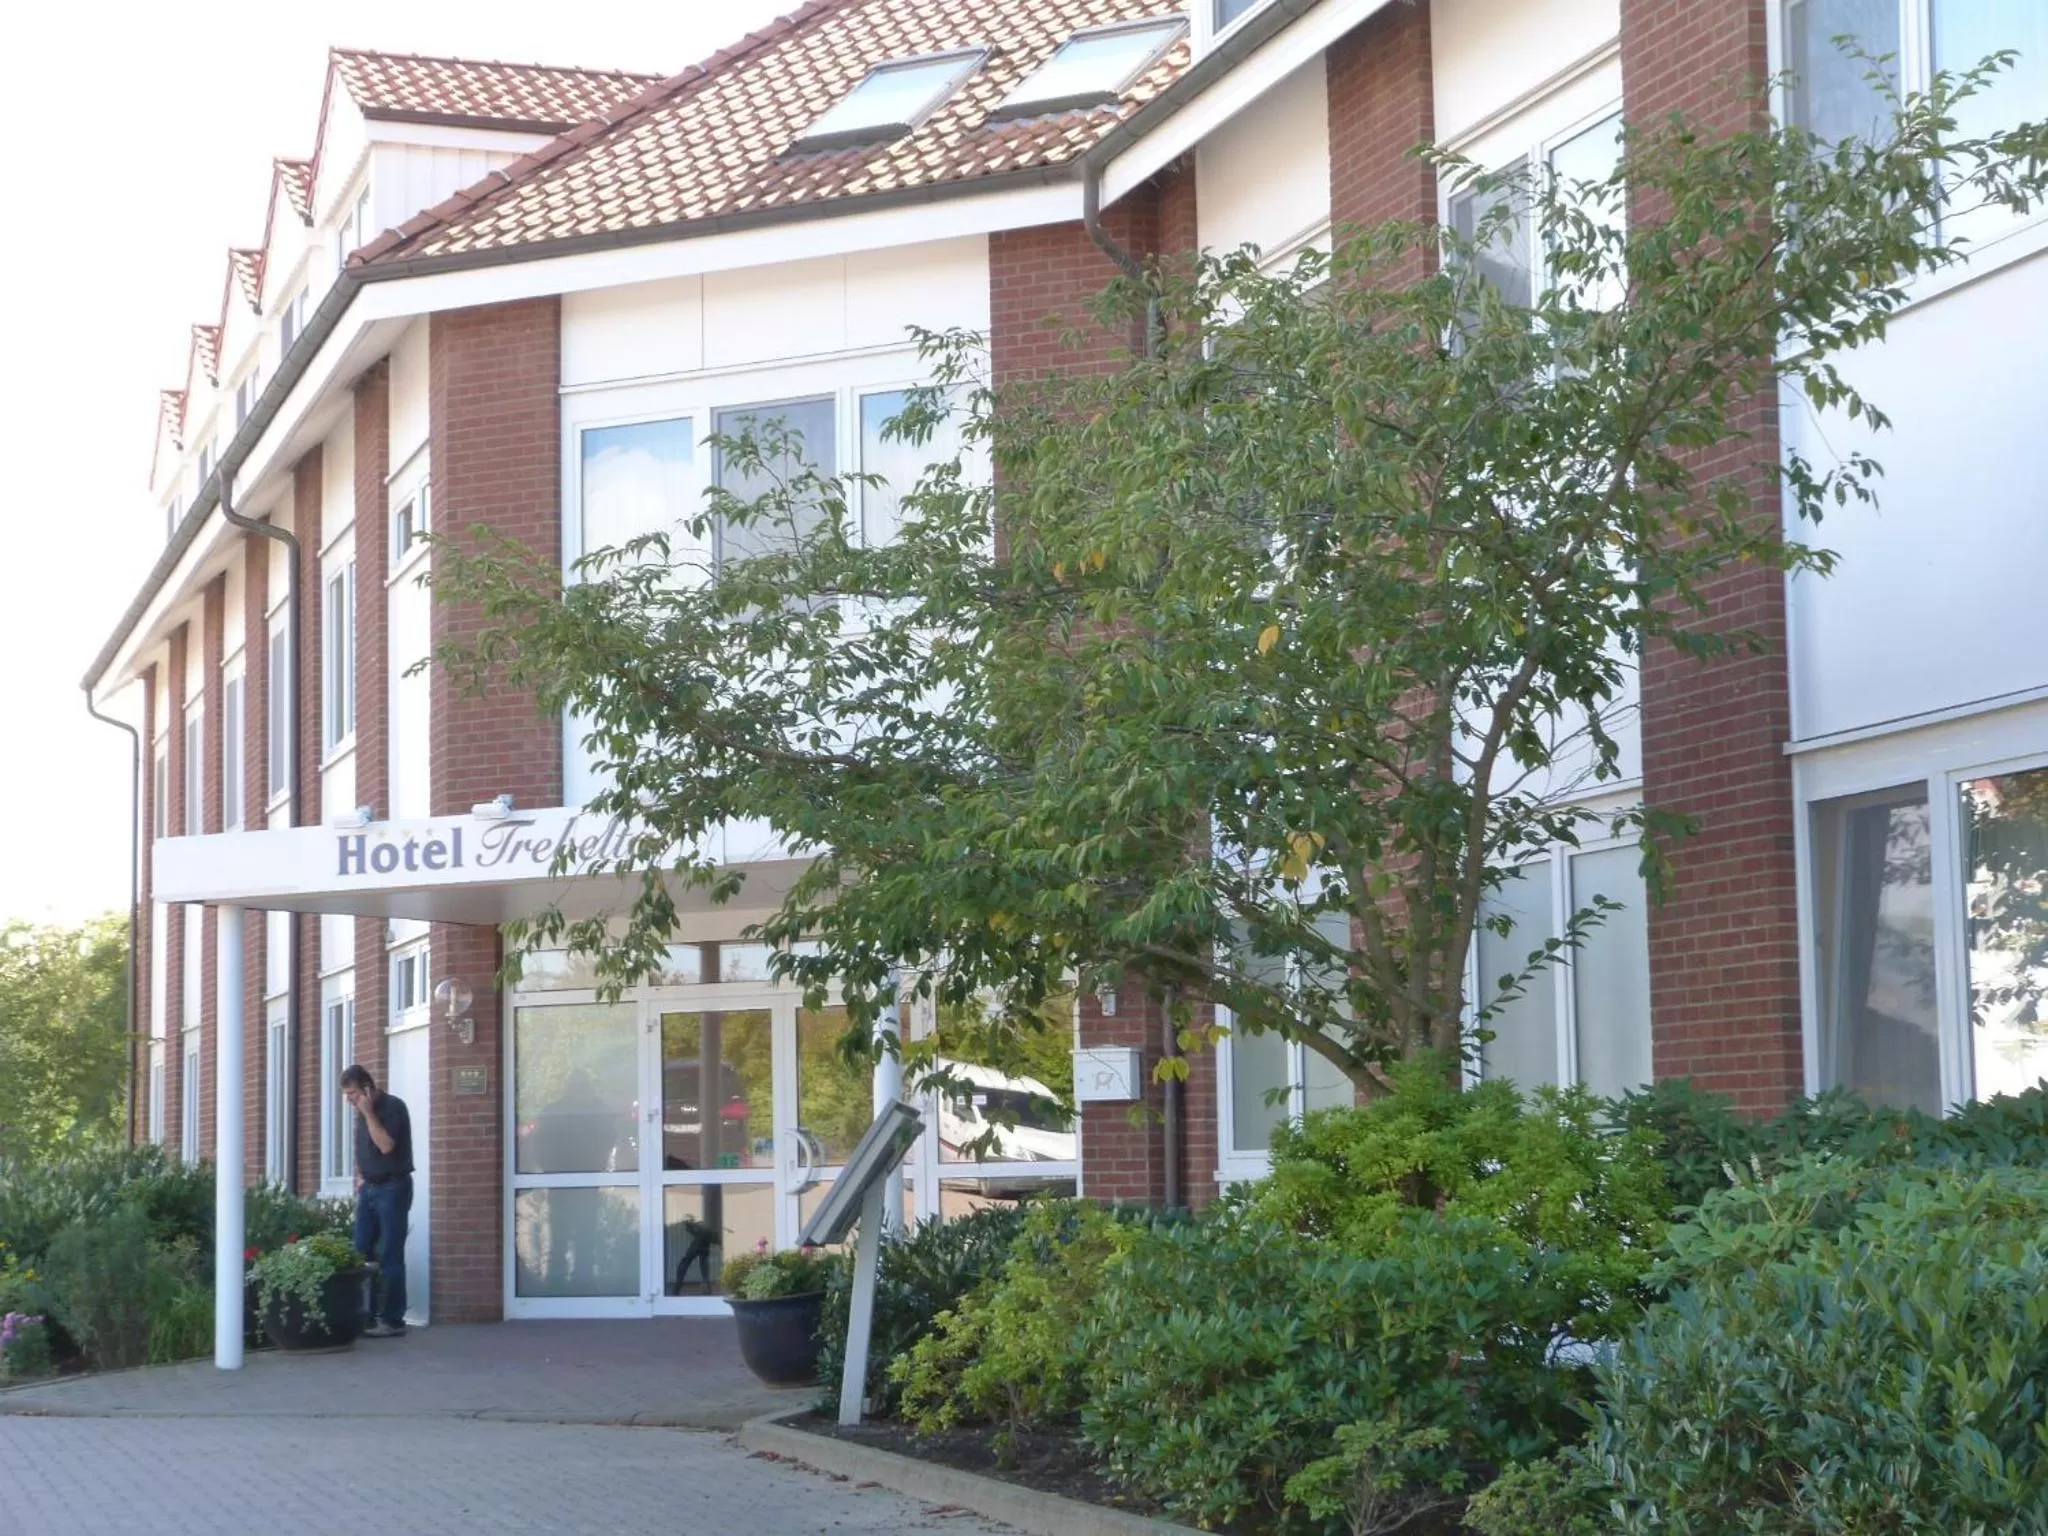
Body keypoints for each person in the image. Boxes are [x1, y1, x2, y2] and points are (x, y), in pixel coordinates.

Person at [342, 1064, 414, 1338]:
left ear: (368, 1089)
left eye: (352, 1093)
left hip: (393, 1188)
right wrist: (361, 1176)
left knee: (390, 1254)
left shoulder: (392, 1108)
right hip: (370, 1188)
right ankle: (366, 1316)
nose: (349, 1100)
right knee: (360, 1251)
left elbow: (385, 1145)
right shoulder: (361, 1114)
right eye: (346, 1095)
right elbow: (367, 1149)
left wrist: (369, 1112)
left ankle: (393, 1320)